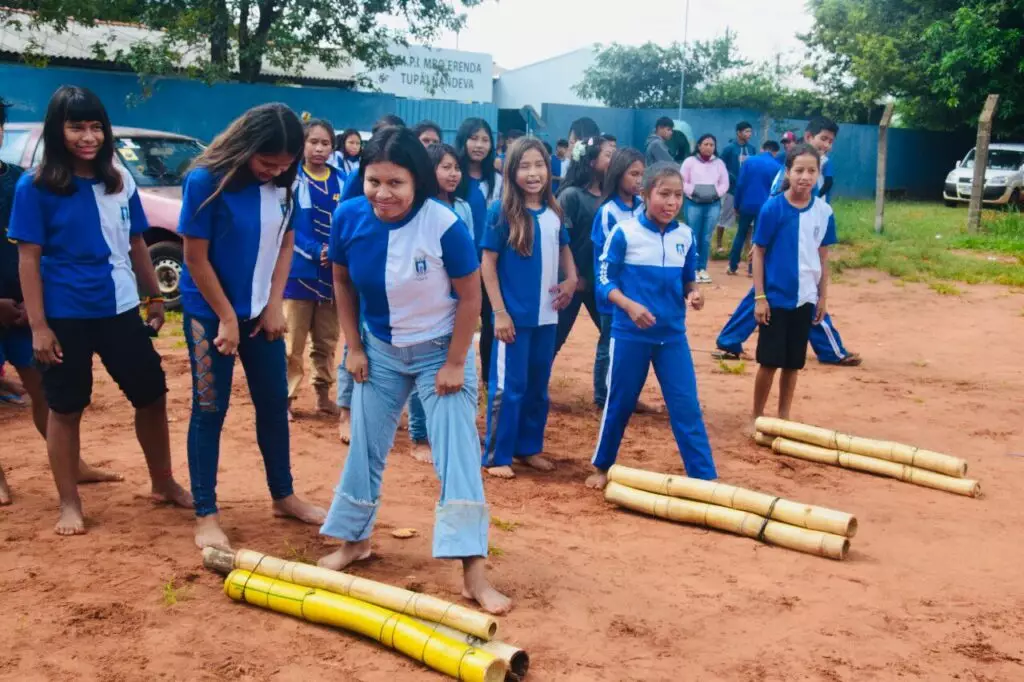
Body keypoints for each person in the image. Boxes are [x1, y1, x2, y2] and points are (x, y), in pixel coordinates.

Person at [318, 125, 511, 616]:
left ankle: (473, 572)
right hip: (379, 351)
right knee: (364, 447)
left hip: (441, 351)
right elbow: (342, 282)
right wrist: (355, 348)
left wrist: (453, 362)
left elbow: (472, 299)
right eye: (373, 181)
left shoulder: (444, 224)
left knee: (458, 455)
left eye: (396, 183)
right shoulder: (349, 217)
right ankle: (354, 541)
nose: (383, 194)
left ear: (418, 182)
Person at [9, 86, 192, 533]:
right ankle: (69, 502)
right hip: (65, 314)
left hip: (119, 310)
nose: (88, 136)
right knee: (66, 407)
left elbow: (135, 244)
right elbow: (28, 258)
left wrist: (153, 298)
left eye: (95, 127)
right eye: (77, 127)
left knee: (151, 394)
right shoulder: (34, 186)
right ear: (58, 130)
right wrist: (38, 327)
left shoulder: (119, 179)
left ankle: (163, 482)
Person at [177, 102, 327, 549]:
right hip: (210, 314)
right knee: (209, 409)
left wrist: (273, 305)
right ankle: (206, 513)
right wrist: (226, 316)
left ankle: (284, 496)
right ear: (246, 148)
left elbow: (286, 241)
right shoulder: (206, 181)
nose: (275, 171)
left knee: (272, 404)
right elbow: (194, 259)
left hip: (262, 313)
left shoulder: (286, 183)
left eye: (285, 163)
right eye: (267, 162)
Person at [0, 95, 124, 508]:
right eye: (77, 128)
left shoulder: (22, 181)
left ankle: (76, 465)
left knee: (49, 395)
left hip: (26, 310)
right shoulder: (31, 184)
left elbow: (30, 253)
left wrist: (31, 314)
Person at [588, 162, 718, 489]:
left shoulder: (685, 235)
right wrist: (630, 306)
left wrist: (695, 294)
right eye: (664, 194)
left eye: (678, 196)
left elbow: (689, 279)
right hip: (630, 335)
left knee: (686, 406)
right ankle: (602, 466)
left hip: (672, 337)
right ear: (645, 194)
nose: (672, 203)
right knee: (619, 403)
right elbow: (604, 280)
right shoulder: (624, 233)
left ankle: (704, 477)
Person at [715, 117, 860, 366]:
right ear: (808, 137)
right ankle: (831, 350)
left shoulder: (820, 166)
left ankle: (730, 338)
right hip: (785, 242)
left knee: (769, 292)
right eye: (823, 139)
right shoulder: (793, 167)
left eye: (831, 141)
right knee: (804, 294)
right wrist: (761, 243)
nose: (827, 145)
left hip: (800, 242)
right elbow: (775, 199)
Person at [481, 138, 576, 479]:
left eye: (540, 165)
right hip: (514, 319)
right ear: (511, 171)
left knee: (538, 385)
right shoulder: (501, 212)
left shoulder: (553, 211)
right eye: (525, 166)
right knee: (510, 387)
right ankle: (497, 455)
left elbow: (565, 249)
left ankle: (528, 448)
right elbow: (487, 265)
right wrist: (500, 312)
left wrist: (571, 279)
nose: (534, 173)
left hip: (547, 317)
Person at [751, 144, 836, 430]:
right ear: (787, 172)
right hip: (775, 298)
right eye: (799, 170)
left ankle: (784, 417)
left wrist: (823, 296)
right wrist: (760, 297)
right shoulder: (772, 208)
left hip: (806, 298)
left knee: (793, 363)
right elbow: (759, 251)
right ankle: (757, 416)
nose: (805, 176)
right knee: (769, 361)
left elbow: (823, 257)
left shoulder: (824, 212)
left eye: (812, 171)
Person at [284, 119, 344, 419]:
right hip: (298, 273)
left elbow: (349, 221)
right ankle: (286, 399)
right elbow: (290, 223)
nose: (319, 148)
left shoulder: (343, 181)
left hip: (332, 275)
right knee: (292, 341)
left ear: (333, 147)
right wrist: (314, 250)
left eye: (325, 143)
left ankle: (323, 395)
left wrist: (336, 252)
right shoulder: (291, 179)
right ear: (303, 145)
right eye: (313, 142)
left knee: (327, 340)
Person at [590, 147, 645, 409]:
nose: (638, 180)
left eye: (642, 175)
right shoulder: (607, 212)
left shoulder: (643, 208)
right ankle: (603, 395)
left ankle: (626, 395)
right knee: (608, 344)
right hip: (613, 293)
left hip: (638, 292)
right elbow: (602, 257)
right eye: (633, 174)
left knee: (632, 346)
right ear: (618, 174)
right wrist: (607, 290)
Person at [554, 134, 615, 356]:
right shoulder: (571, 196)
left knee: (612, 334)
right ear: (590, 161)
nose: (614, 160)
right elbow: (561, 240)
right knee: (555, 336)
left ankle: (607, 386)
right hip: (572, 281)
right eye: (609, 155)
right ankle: (534, 387)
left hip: (601, 281)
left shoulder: (613, 198)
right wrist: (573, 276)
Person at [454, 117, 501, 386]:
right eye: (474, 138)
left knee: (491, 322)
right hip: (459, 263)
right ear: (464, 140)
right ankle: (457, 371)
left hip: (489, 263)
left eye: (485, 139)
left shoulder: (496, 180)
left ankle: (487, 380)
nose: (480, 145)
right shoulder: (453, 174)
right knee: (458, 320)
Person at [728, 140, 782, 276]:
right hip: (765, 207)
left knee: (740, 234)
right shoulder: (777, 166)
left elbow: (740, 184)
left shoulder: (749, 161)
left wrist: (736, 204)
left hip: (746, 204)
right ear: (775, 152)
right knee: (758, 237)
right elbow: (777, 190)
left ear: (762, 148)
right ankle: (753, 269)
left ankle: (733, 266)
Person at [680, 134, 728, 284]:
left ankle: (702, 268)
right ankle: (691, 268)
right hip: (693, 202)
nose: (709, 147)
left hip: (713, 204)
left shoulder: (719, 163)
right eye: (705, 144)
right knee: (693, 235)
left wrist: (715, 194)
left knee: (706, 237)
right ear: (699, 146)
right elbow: (682, 181)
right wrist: (694, 192)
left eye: (712, 145)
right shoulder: (689, 162)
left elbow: (724, 183)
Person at [715, 121, 756, 255]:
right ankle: (719, 244)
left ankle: (747, 247)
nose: (749, 134)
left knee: (748, 220)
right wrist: (729, 179)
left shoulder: (752, 149)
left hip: (748, 190)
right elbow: (720, 166)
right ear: (738, 133)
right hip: (731, 189)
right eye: (746, 131)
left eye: (750, 131)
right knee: (725, 217)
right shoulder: (729, 149)